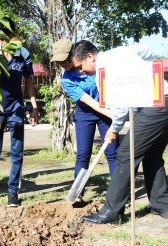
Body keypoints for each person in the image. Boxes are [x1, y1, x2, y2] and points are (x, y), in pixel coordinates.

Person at [70, 40, 168, 223]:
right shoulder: (119, 53)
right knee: (152, 156)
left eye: (81, 66)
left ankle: (111, 213)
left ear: (90, 56)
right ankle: (162, 204)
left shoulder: (104, 72)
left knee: (125, 155)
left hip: (154, 105)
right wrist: (142, 74)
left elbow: (120, 109)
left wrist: (114, 130)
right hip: (165, 98)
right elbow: (147, 49)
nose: (81, 71)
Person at [0, 17, 39, 207]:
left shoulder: (23, 53)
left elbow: (29, 81)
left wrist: (34, 106)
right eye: (0, 38)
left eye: (6, 37)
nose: (3, 41)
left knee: (17, 150)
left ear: (13, 35)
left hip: (15, 108)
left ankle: (13, 191)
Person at [51, 39, 118, 201]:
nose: (61, 64)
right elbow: (91, 103)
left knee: (113, 153)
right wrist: (117, 118)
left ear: (72, 55)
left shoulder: (93, 66)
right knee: (83, 154)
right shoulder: (67, 80)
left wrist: (116, 115)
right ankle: (78, 194)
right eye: (57, 61)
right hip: (85, 112)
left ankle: (119, 193)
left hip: (106, 109)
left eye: (63, 59)